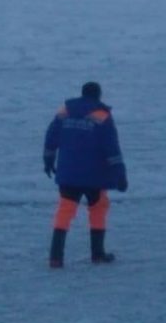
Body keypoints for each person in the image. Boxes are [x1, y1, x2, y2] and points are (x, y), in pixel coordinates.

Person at [43, 82, 128, 268]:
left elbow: (51, 136)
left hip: (68, 173)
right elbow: (111, 148)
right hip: (94, 175)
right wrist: (120, 174)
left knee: (64, 211)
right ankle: (98, 254)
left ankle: (55, 257)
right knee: (98, 209)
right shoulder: (102, 115)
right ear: (98, 95)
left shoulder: (65, 111)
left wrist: (48, 159)